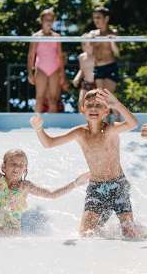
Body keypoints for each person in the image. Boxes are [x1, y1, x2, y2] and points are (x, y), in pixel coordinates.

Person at [30, 89, 138, 237]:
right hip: (96, 187)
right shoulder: (80, 133)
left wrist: (117, 105)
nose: (93, 108)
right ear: (83, 109)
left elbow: (133, 124)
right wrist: (38, 129)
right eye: (89, 105)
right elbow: (49, 143)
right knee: (85, 234)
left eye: (98, 105)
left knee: (129, 232)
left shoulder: (110, 130)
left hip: (117, 185)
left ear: (106, 110)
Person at [0, 105, 89, 235]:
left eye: (21, 165)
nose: (17, 167)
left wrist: (76, 183)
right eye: (13, 163)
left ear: (25, 170)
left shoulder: (25, 186)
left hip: (11, 232)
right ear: (3, 167)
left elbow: (52, 194)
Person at [27, 8, 66, 113]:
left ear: (53, 21)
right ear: (41, 20)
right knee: (39, 98)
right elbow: (31, 56)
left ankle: (53, 127)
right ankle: (36, 125)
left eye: (51, 20)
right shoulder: (36, 36)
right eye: (46, 19)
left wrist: (62, 73)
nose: (48, 22)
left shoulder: (57, 36)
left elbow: (60, 56)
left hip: (54, 69)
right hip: (41, 69)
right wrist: (30, 73)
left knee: (53, 99)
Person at [89, 6, 120, 93]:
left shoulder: (113, 32)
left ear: (106, 19)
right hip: (97, 68)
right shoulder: (92, 34)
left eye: (98, 17)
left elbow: (117, 53)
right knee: (101, 99)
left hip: (110, 67)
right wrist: (88, 40)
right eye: (94, 18)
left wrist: (112, 42)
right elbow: (88, 52)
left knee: (107, 97)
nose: (95, 20)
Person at [72, 36, 96, 108]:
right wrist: (77, 78)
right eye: (84, 45)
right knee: (81, 102)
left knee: (100, 102)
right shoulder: (81, 57)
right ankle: (82, 118)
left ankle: (115, 116)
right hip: (86, 83)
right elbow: (82, 70)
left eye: (90, 45)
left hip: (97, 83)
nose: (88, 47)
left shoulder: (96, 56)